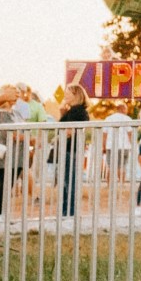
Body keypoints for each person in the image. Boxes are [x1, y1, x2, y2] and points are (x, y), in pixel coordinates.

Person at [57, 84, 91, 217]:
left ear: (76, 95)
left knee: (69, 181)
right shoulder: (74, 110)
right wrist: (62, 112)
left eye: (68, 93)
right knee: (68, 181)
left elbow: (68, 131)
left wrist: (61, 135)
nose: (65, 95)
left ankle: (69, 212)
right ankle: (67, 212)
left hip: (71, 149)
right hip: (71, 149)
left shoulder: (78, 111)